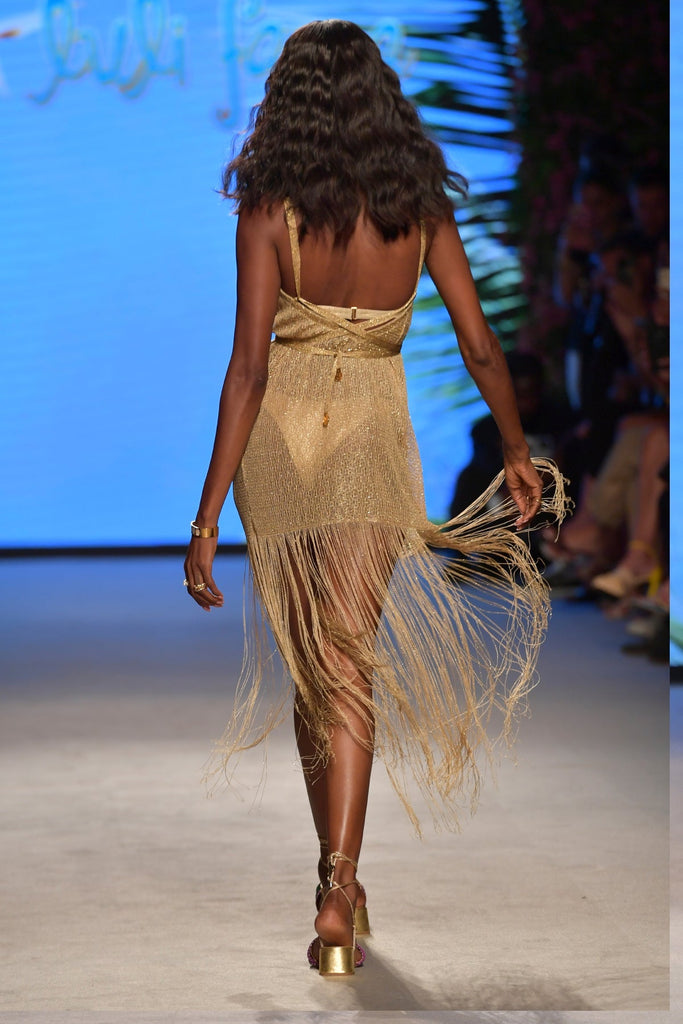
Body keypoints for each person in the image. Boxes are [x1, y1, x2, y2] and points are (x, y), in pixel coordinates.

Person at [183, 20, 566, 977]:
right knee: (345, 663)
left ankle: (335, 884)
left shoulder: (269, 208)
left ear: (291, 105)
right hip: (369, 442)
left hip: (279, 449)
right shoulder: (420, 210)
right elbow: (480, 344)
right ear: (381, 102)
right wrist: (515, 449)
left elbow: (246, 371)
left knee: (318, 669)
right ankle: (338, 884)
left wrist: (206, 516)